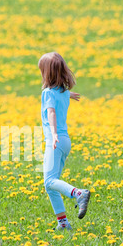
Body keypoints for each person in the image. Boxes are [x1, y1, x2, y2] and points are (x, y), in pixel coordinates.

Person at [38, 52, 91, 230]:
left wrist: (53, 134)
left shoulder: (47, 93)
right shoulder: (62, 92)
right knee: (51, 185)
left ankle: (78, 193)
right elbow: (61, 96)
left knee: (50, 181)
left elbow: (51, 112)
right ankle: (63, 223)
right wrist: (70, 95)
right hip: (64, 142)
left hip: (55, 140)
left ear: (47, 74)